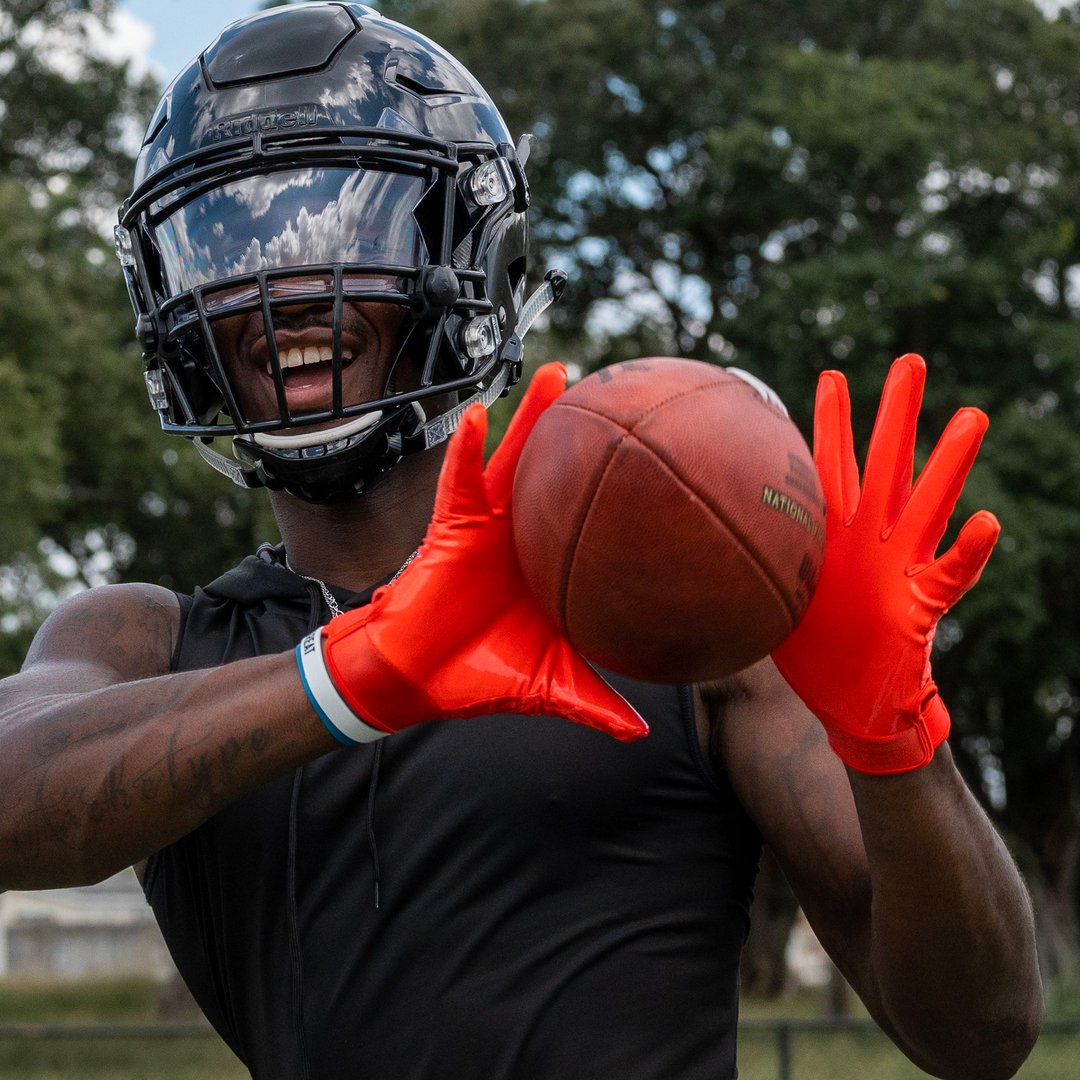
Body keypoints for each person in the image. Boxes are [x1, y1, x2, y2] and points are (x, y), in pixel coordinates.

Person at [0, 4, 1042, 1078]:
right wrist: (350, 676)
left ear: (472, 260)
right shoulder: (149, 640)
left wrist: (897, 743)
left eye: (345, 229)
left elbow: (983, 1035)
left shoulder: (674, 603)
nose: (287, 288)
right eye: (228, 243)